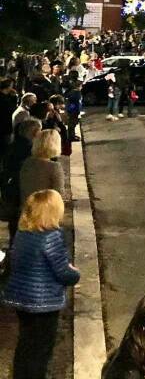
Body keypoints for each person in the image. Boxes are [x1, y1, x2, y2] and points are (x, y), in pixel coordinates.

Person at [2, 190, 80, 379]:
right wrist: (75, 273)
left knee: (25, 345)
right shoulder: (51, 237)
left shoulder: (23, 234)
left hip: (21, 299)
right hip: (43, 304)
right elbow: (63, 272)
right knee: (41, 351)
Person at [2, 118, 43, 244]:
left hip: (10, 192)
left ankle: (14, 252)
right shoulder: (30, 151)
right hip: (23, 193)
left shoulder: (12, 146)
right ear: (34, 133)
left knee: (14, 227)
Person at [19, 130, 64, 208]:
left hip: (26, 207)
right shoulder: (54, 167)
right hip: (45, 209)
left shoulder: (26, 163)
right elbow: (58, 194)